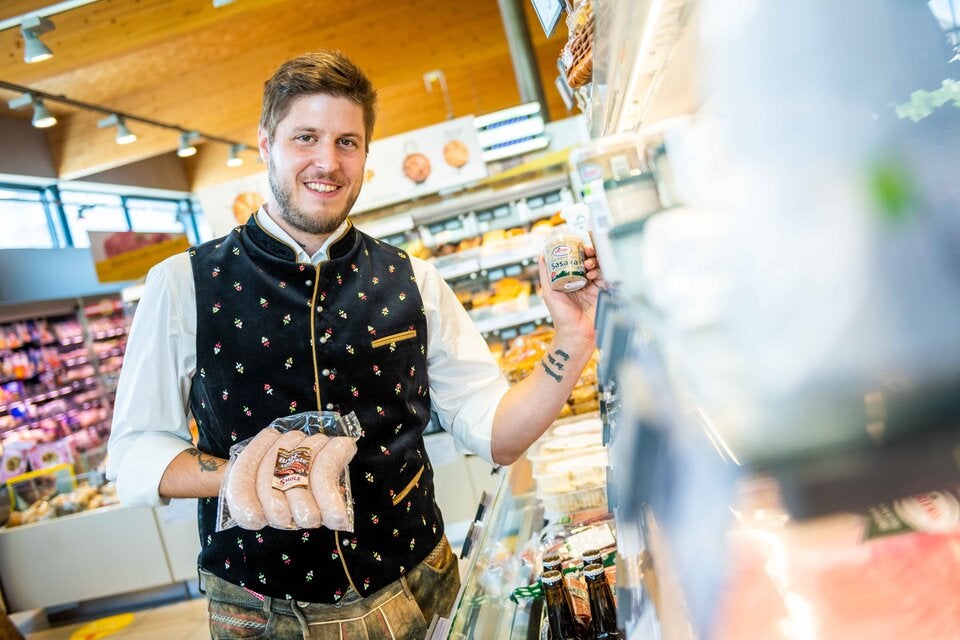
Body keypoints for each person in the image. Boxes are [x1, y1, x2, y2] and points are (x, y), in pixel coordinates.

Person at [106, 49, 603, 640]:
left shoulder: (413, 280)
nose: (328, 161)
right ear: (266, 143)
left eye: (348, 141)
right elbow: (136, 449)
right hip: (267, 611)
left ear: (367, 154)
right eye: (306, 137)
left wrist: (574, 336)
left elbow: (498, 434)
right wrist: (248, 476)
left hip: (420, 584)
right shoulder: (184, 282)